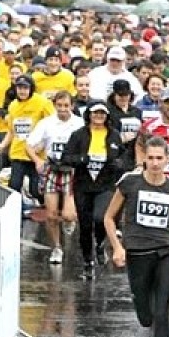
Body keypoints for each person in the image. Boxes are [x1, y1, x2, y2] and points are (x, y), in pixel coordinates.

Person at [104, 136, 169, 337]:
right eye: (152, 158)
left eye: (161, 158)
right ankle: (145, 310)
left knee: (161, 314)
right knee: (145, 317)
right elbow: (109, 217)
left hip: (165, 254)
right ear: (144, 158)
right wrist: (117, 247)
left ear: (168, 159)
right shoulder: (129, 183)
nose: (156, 163)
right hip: (137, 254)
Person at [61, 100, 127, 277]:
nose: (99, 116)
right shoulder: (78, 135)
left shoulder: (114, 135)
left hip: (105, 184)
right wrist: (82, 159)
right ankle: (87, 260)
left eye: (102, 113)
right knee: (84, 224)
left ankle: (100, 243)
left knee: (100, 217)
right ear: (89, 114)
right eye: (95, 113)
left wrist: (118, 164)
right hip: (83, 184)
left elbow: (123, 158)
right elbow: (66, 157)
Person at [25, 91, 84, 264]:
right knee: (50, 215)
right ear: (55, 105)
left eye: (66, 106)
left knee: (68, 214)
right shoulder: (47, 123)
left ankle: (69, 221)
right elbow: (29, 145)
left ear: (72, 106)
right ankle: (57, 248)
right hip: (52, 168)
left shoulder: (79, 124)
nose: (63, 109)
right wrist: (37, 160)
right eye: (59, 106)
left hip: (72, 170)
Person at [0, 74, 55, 207]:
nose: (22, 91)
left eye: (25, 88)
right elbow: (12, 130)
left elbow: (52, 125)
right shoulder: (13, 106)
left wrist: (42, 145)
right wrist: (3, 144)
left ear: (31, 88)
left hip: (36, 155)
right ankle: (17, 213)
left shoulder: (42, 102)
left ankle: (46, 208)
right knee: (14, 185)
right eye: (19, 88)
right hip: (18, 153)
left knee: (36, 189)